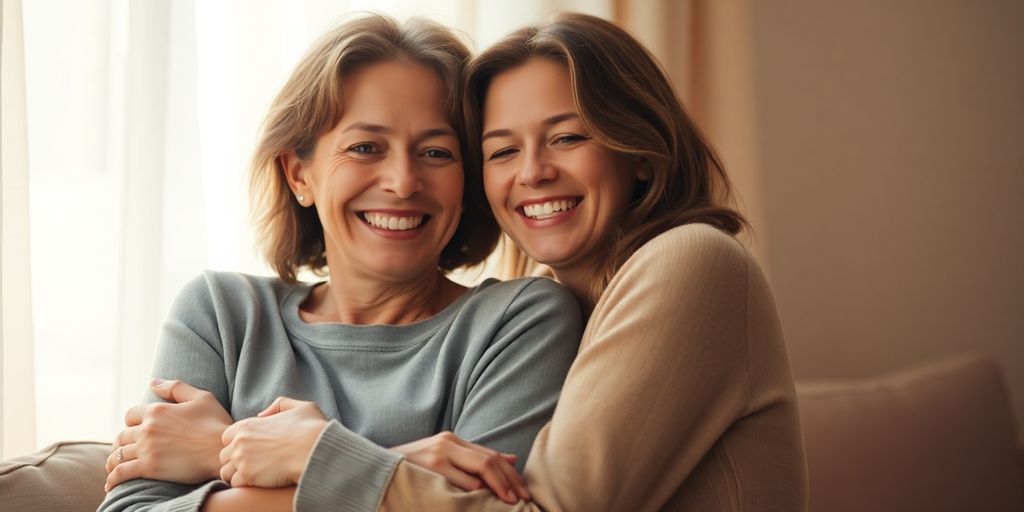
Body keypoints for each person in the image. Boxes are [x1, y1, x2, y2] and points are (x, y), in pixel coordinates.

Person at [270, 12, 808, 511]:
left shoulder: (691, 260)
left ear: (641, 153)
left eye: (567, 138)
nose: (532, 173)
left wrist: (318, 455)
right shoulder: (564, 304)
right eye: (502, 151)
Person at [98, 14, 582, 512]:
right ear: (298, 174)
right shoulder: (222, 315)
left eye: (436, 152)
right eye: (365, 147)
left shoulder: (521, 321)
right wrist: (401, 468)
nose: (402, 181)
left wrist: (224, 450)